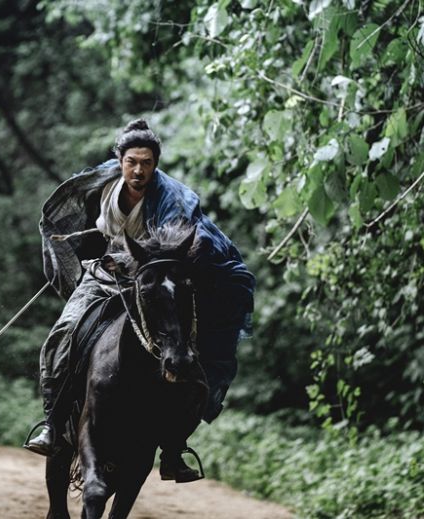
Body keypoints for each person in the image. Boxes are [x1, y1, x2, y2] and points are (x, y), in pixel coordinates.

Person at [25, 119, 255, 482]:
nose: (138, 170)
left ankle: (174, 448)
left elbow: (172, 248)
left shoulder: (174, 201)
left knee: (186, 348)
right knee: (62, 334)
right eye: (132, 161)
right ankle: (53, 423)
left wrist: (135, 263)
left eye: (146, 163)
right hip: (103, 279)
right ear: (120, 161)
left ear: (155, 164)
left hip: (153, 285)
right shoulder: (102, 187)